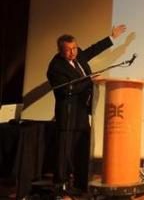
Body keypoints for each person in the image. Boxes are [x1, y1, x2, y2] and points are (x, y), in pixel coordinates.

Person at [46, 24, 127, 193]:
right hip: (68, 115)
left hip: (82, 112)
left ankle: (81, 184)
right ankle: (60, 184)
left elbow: (94, 49)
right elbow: (65, 90)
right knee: (64, 152)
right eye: (68, 50)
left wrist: (112, 37)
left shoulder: (79, 56)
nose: (73, 52)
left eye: (74, 48)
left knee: (83, 149)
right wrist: (90, 81)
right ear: (60, 50)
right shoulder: (55, 67)